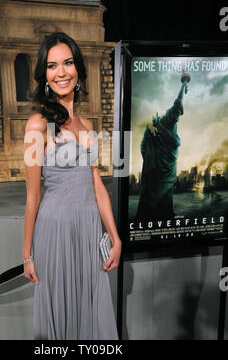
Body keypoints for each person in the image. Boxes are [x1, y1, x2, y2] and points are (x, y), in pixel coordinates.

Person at [23, 32, 121, 340]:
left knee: (92, 316)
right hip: (56, 229)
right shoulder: (38, 124)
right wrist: (27, 253)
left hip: (89, 228)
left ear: (78, 68)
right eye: (52, 66)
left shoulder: (89, 126)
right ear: (45, 75)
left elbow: (96, 182)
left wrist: (115, 236)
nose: (61, 72)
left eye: (67, 63)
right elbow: (32, 196)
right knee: (62, 318)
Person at [136, 76, 190, 221]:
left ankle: (159, 215)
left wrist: (183, 85)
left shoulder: (166, 125)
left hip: (161, 170)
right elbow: (177, 103)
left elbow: (178, 103)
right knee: (162, 196)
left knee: (164, 195)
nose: (177, 116)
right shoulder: (164, 126)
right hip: (159, 170)